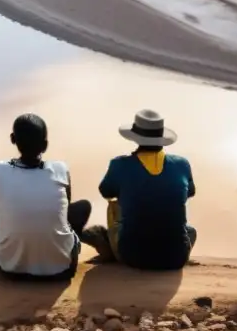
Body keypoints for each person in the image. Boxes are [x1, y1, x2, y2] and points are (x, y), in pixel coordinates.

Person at [0, 114, 91, 280]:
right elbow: (65, 208)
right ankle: (62, 249)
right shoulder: (61, 170)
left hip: (10, 268)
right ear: (45, 145)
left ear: (13, 139)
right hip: (63, 268)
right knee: (83, 206)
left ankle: (7, 250)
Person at [82, 109, 197, 270]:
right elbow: (190, 192)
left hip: (134, 257)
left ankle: (112, 247)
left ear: (135, 137)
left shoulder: (119, 164)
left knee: (115, 207)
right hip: (176, 258)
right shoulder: (182, 164)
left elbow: (106, 191)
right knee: (190, 231)